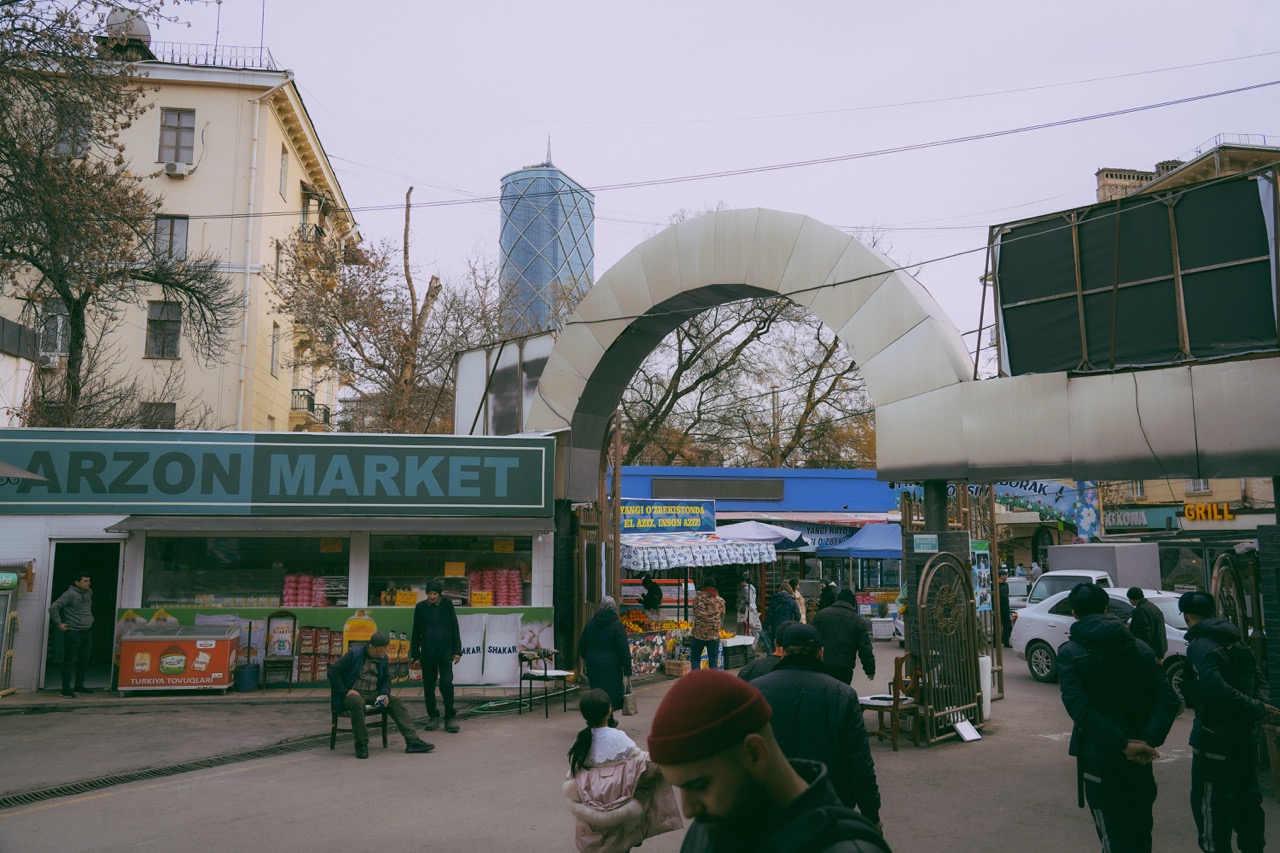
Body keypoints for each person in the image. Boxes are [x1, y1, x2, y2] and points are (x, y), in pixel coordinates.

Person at [647, 668, 892, 853]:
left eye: (700, 785)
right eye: (679, 788)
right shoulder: (707, 831)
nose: (688, 810)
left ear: (755, 753)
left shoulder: (850, 847)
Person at [1056, 583, 1179, 853]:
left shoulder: (1070, 653)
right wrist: (1146, 742)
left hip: (1100, 755)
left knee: (1115, 836)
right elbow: (1168, 700)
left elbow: (1081, 710)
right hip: (1140, 756)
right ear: (1106, 609)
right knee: (1141, 832)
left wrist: (1122, 745)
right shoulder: (1141, 648)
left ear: (1074, 613)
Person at [753, 624, 882, 830]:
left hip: (771, 805)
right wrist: (871, 814)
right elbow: (859, 761)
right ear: (821, 653)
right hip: (828, 804)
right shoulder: (843, 694)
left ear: (783, 653)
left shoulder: (755, 691)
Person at [1179, 591, 1279, 853]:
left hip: (1213, 738)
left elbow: (1214, 688)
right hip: (1245, 737)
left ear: (1186, 616)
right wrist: (1258, 707)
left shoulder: (1200, 645)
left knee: (1212, 807)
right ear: (1212, 612)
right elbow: (1260, 679)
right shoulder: (1237, 640)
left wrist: (1255, 707)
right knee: (1248, 802)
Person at [564, 688, 682, 853]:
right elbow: (641, 762)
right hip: (620, 800)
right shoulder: (618, 737)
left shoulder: (581, 740)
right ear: (609, 710)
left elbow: (574, 771)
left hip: (591, 804)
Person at [328, 631, 434, 759]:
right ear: (373, 647)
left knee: (396, 702)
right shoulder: (354, 654)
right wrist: (345, 691)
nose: (386, 650)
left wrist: (384, 694)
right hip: (354, 693)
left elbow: (386, 678)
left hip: (374, 693)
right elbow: (333, 671)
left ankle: (412, 741)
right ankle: (361, 744)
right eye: (383, 648)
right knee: (357, 702)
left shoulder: (383, 657)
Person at [410, 578, 463, 733]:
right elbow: (416, 632)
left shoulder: (447, 605)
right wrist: (415, 655)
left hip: (445, 653)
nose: (432, 596)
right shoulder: (420, 607)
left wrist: (457, 651)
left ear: (439, 594)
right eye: (430, 593)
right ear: (426, 594)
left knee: (446, 683)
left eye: (435, 593)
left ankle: (450, 717)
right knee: (428, 686)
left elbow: (454, 627)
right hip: (427, 654)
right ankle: (433, 716)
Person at [580, 595, 633, 717]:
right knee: (611, 694)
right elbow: (623, 649)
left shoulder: (590, 624)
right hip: (611, 666)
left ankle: (601, 719)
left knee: (597, 693)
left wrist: (589, 658)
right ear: (613, 607)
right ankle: (608, 718)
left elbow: (582, 646)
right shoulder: (617, 625)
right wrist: (627, 670)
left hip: (594, 665)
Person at [811, 589, 875, 686]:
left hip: (822, 663)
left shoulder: (820, 615)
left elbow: (811, 639)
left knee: (823, 692)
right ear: (853, 603)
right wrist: (869, 670)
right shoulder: (858, 621)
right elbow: (865, 648)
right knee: (841, 692)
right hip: (844, 667)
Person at [49, 574, 94, 699]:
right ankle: (66, 689)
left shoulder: (89, 592)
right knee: (69, 661)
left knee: (84, 660)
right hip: (74, 632)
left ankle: (79, 685)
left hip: (87, 630)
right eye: (85, 581)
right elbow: (53, 607)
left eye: (89, 580)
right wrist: (59, 624)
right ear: (77, 582)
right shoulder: (69, 594)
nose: (88, 583)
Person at [1126, 588, 1167, 662]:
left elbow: (1142, 633)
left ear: (1133, 599)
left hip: (1148, 651)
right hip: (1159, 649)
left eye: (1129, 599)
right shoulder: (1153, 607)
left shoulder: (1140, 610)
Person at [690, 584, 726, 670]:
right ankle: (712, 678)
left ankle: (696, 677)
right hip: (713, 635)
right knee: (713, 660)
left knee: (695, 659)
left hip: (698, 634)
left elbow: (695, 612)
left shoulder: (697, 599)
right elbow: (723, 615)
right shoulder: (720, 601)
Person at [762, 582, 800, 653]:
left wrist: (765, 626)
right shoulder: (792, 601)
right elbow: (798, 616)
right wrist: (793, 624)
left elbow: (770, 615)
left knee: (777, 646)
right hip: (788, 626)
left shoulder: (775, 599)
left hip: (776, 626)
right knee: (787, 645)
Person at [736, 575, 759, 640]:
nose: (740, 585)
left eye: (740, 583)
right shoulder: (752, 587)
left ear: (743, 581)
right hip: (753, 608)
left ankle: (740, 638)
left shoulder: (745, 589)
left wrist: (740, 602)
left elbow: (748, 600)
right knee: (753, 625)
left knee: (741, 625)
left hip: (745, 609)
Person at [997, 571, 1013, 648]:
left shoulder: (1006, 585)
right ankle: (996, 642)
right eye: (1005, 575)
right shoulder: (995, 585)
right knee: (997, 625)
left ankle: (1006, 641)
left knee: (1008, 626)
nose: (1007, 577)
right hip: (998, 608)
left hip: (1006, 607)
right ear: (1001, 576)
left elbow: (1007, 595)